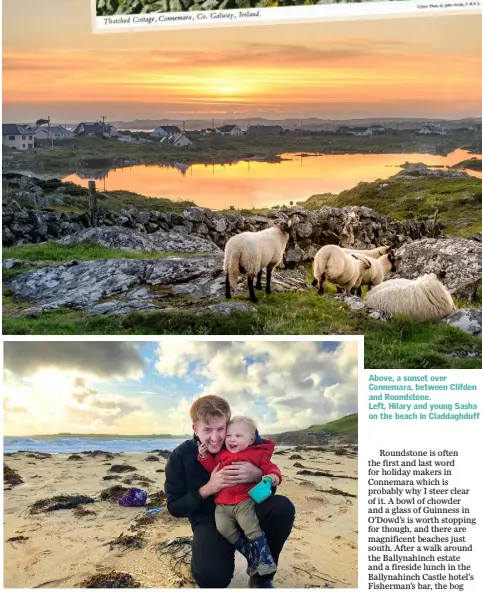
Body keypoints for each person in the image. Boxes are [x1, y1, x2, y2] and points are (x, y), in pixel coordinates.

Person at [165, 395, 295, 588]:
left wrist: (257, 475)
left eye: (221, 429)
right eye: (207, 430)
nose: (216, 438)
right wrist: (208, 488)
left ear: (229, 424)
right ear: (195, 428)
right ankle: (238, 551)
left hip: (247, 505)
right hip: (209, 519)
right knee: (211, 579)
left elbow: (270, 483)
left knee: (282, 508)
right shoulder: (180, 456)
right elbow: (174, 507)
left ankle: (263, 574)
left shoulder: (248, 442)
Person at [197, 416, 281, 577]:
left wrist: (273, 477)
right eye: (228, 435)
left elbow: (271, 468)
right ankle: (250, 555)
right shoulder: (222, 455)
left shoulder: (257, 455)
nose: (232, 439)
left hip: (244, 501)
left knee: (250, 526)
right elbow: (211, 467)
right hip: (222, 504)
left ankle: (265, 559)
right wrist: (203, 456)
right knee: (223, 528)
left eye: (238, 436)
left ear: (251, 439)